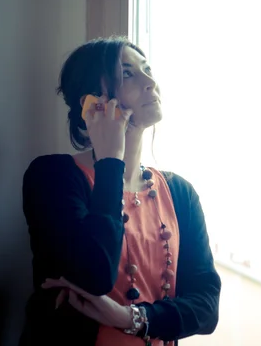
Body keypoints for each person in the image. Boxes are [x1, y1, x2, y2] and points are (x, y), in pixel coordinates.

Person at [19, 36, 221, 346]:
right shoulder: (53, 177)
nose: (150, 81)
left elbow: (206, 308)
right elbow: (94, 274)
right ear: (92, 102)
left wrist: (129, 318)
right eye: (127, 73)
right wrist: (111, 160)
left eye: (147, 69)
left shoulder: (180, 193)